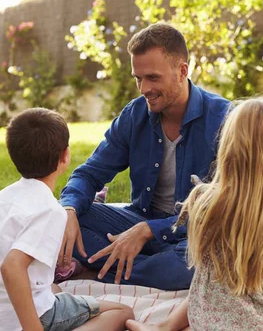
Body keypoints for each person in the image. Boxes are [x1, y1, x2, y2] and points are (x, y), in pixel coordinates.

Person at [58, 23, 232, 290]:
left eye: (152, 77)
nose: (143, 88)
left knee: (191, 265)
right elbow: (89, 174)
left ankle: (103, 270)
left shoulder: (225, 119)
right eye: (138, 78)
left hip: (198, 229)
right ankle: (142, 264)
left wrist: (150, 230)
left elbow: (227, 204)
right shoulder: (134, 115)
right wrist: (68, 210)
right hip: (139, 218)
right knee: (63, 222)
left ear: (182, 71)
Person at [126, 98, 263, 331]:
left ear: (228, 145)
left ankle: (164, 327)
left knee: (215, 283)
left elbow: (201, 270)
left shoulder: (205, 202)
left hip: (214, 317)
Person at [0, 108, 134, 331]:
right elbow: (12, 267)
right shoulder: (50, 211)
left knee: (54, 289)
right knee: (122, 312)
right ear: (65, 156)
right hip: (25, 320)